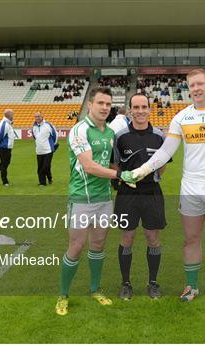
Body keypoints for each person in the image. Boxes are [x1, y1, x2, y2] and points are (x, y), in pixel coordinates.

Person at [122, 69, 205, 308]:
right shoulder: (181, 118)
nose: (195, 88)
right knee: (190, 240)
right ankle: (191, 287)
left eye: (200, 83)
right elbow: (165, 152)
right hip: (190, 188)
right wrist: (141, 171)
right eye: (191, 85)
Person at [55, 87, 135, 316]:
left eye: (108, 104)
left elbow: (108, 164)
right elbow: (89, 166)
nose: (104, 108)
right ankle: (63, 294)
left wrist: (132, 172)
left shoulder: (109, 133)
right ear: (90, 104)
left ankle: (95, 289)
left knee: (98, 245)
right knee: (76, 246)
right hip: (81, 198)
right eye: (100, 103)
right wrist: (119, 176)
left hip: (103, 199)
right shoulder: (79, 130)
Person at [112, 94, 169, 301]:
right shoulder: (120, 136)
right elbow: (115, 165)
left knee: (153, 238)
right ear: (130, 110)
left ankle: (153, 283)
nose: (140, 111)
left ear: (149, 109)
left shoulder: (159, 136)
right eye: (136, 107)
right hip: (127, 194)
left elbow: (162, 165)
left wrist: (150, 178)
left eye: (144, 106)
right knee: (127, 238)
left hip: (152, 192)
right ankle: (125, 283)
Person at [32, 112, 58, 186]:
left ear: (42, 116)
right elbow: (35, 137)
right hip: (39, 151)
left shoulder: (48, 125)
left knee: (45, 167)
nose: (37, 118)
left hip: (48, 150)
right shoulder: (34, 126)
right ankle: (42, 182)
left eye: (39, 116)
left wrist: (53, 144)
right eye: (36, 116)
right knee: (40, 167)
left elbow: (55, 135)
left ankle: (48, 178)